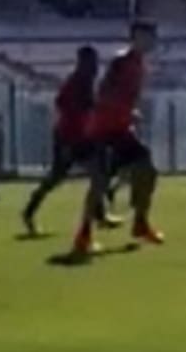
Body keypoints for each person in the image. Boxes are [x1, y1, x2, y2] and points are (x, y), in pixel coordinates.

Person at [71, 21, 164, 258]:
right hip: (103, 129)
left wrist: (129, 112)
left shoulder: (139, 65)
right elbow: (104, 92)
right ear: (135, 37)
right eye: (146, 36)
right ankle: (83, 235)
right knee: (100, 182)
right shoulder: (121, 61)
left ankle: (140, 223)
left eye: (152, 37)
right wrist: (123, 110)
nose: (151, 41)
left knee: (147, 171)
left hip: (120, 130)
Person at [22, 46, 120, 235]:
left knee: (97, 175)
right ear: (83, 63)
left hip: (80, 136)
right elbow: (68, 105)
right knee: (60, 178)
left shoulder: (84, 81)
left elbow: (71, 104)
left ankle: (99, 216)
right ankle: (29, 211)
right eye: (92, 62)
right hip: (70, 137)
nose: (95, 66)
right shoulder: (78, 82)